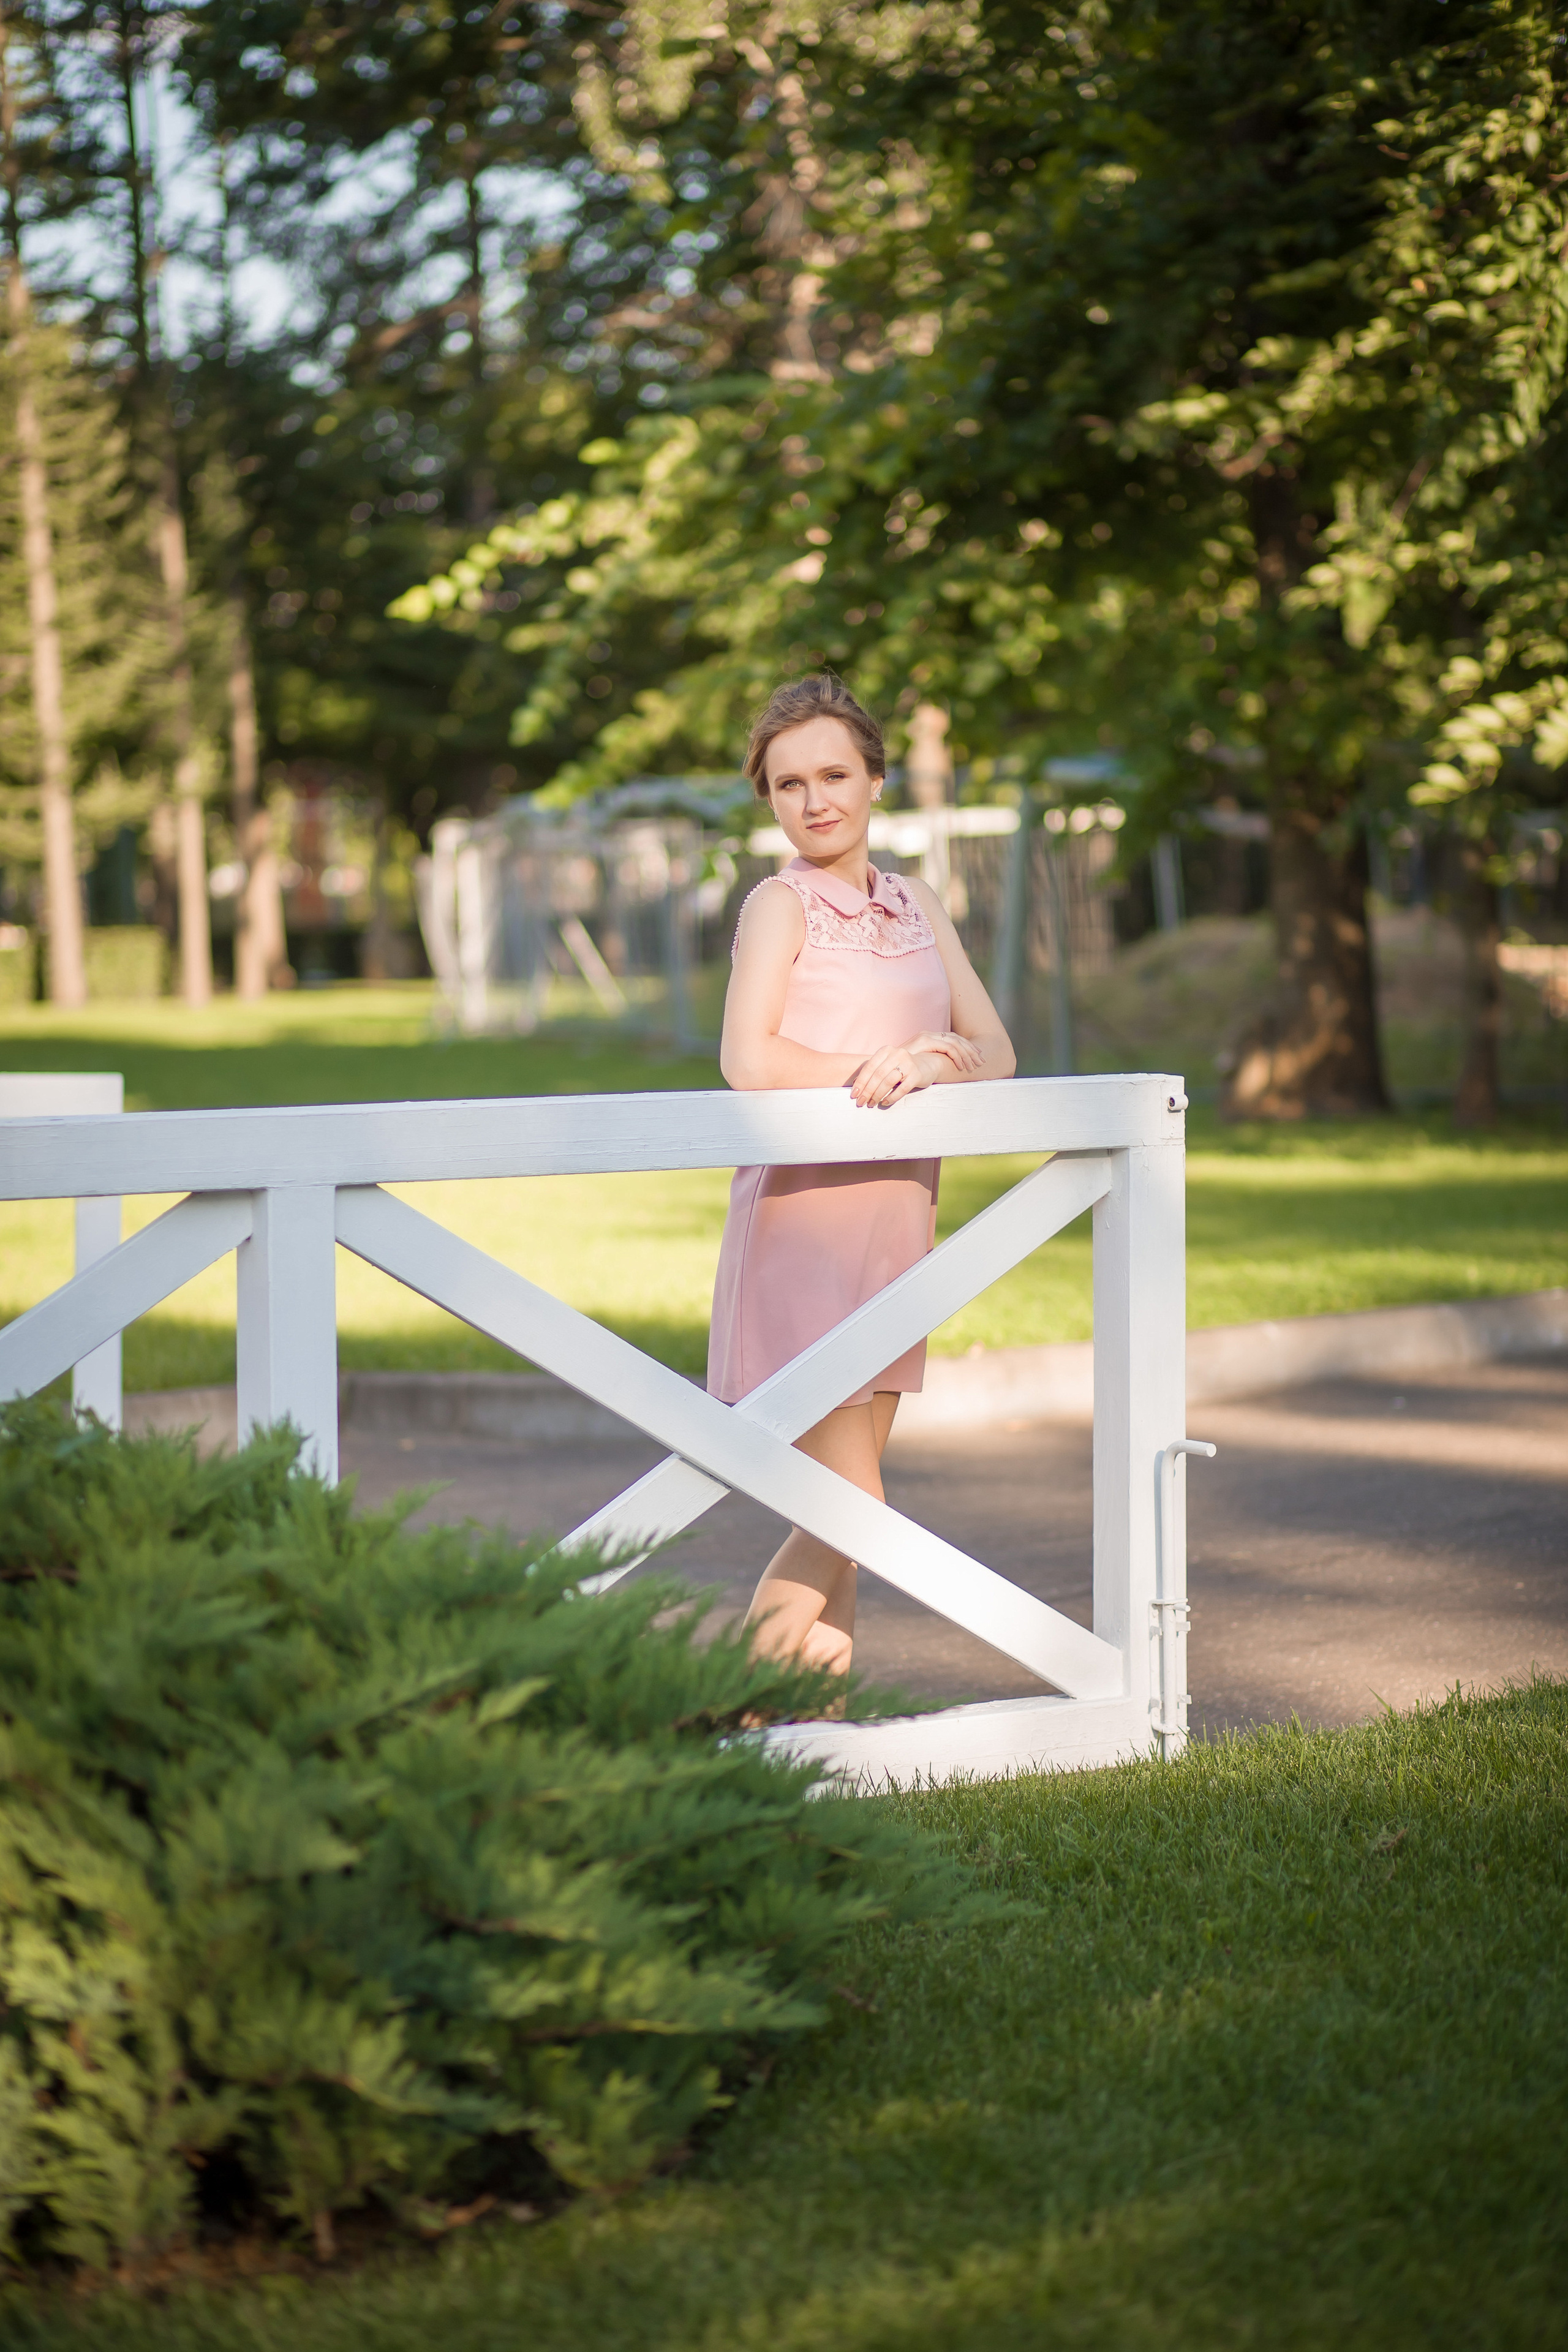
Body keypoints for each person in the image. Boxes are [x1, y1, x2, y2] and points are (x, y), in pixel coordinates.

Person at [709, 674, 1016, 1682]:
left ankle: (806, 1732)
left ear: (877, 779)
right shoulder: (778, 904)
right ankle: (715, 1708)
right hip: (801, 1234)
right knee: (853, 1512)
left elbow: (994, 1050)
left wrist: (927, 1061)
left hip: (897, 1236)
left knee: (843, 1517)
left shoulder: (916, 901)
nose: (815, 800)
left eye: (834, 774)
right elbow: (748, 1060)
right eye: (789, 784)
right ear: (771, 801)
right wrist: (870, 1071)